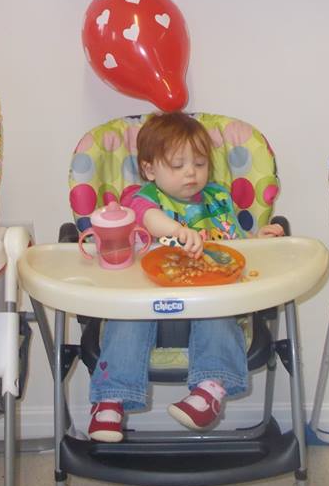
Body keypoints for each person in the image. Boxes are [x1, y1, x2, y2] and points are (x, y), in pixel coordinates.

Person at [87, 112, 284, 443]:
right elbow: (147, 218)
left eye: (200, 163)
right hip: (147, 298)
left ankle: (209, 390)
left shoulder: (217, 199)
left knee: (219, 315)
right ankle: (111, 399)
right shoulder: (140, 199)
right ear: (150, 169)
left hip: (207, 296)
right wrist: (176, 230)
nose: (191, 172)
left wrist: (257, 240)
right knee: (124, 321)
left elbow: (233, 243)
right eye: (177, 165)